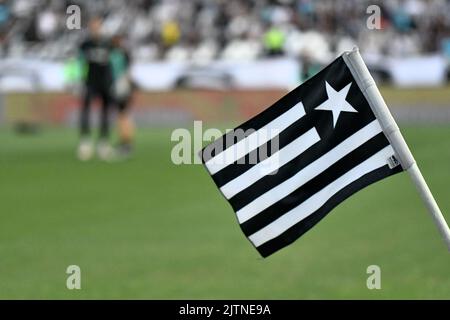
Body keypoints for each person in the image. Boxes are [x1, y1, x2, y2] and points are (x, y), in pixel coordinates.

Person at [77, 17, 114, 161]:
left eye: (98, 26)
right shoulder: (85, 45)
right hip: (89, 82)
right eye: (93, 26)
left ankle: (103, 142)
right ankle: (85, 142)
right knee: (85, 110)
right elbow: (78, 62)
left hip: (104, 83)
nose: (96, 29)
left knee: (105, 112)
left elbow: (113, 63)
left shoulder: (107, 44)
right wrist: (76, 80)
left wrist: (114, 80)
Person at [110, 34, 135, 158]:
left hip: (121, 87)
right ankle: (125, 142)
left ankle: (126, 143)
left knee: (123, 115)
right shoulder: (124, 54)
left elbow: (125, 72)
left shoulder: (118, 54)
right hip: (123, 86)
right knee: (123, 115)